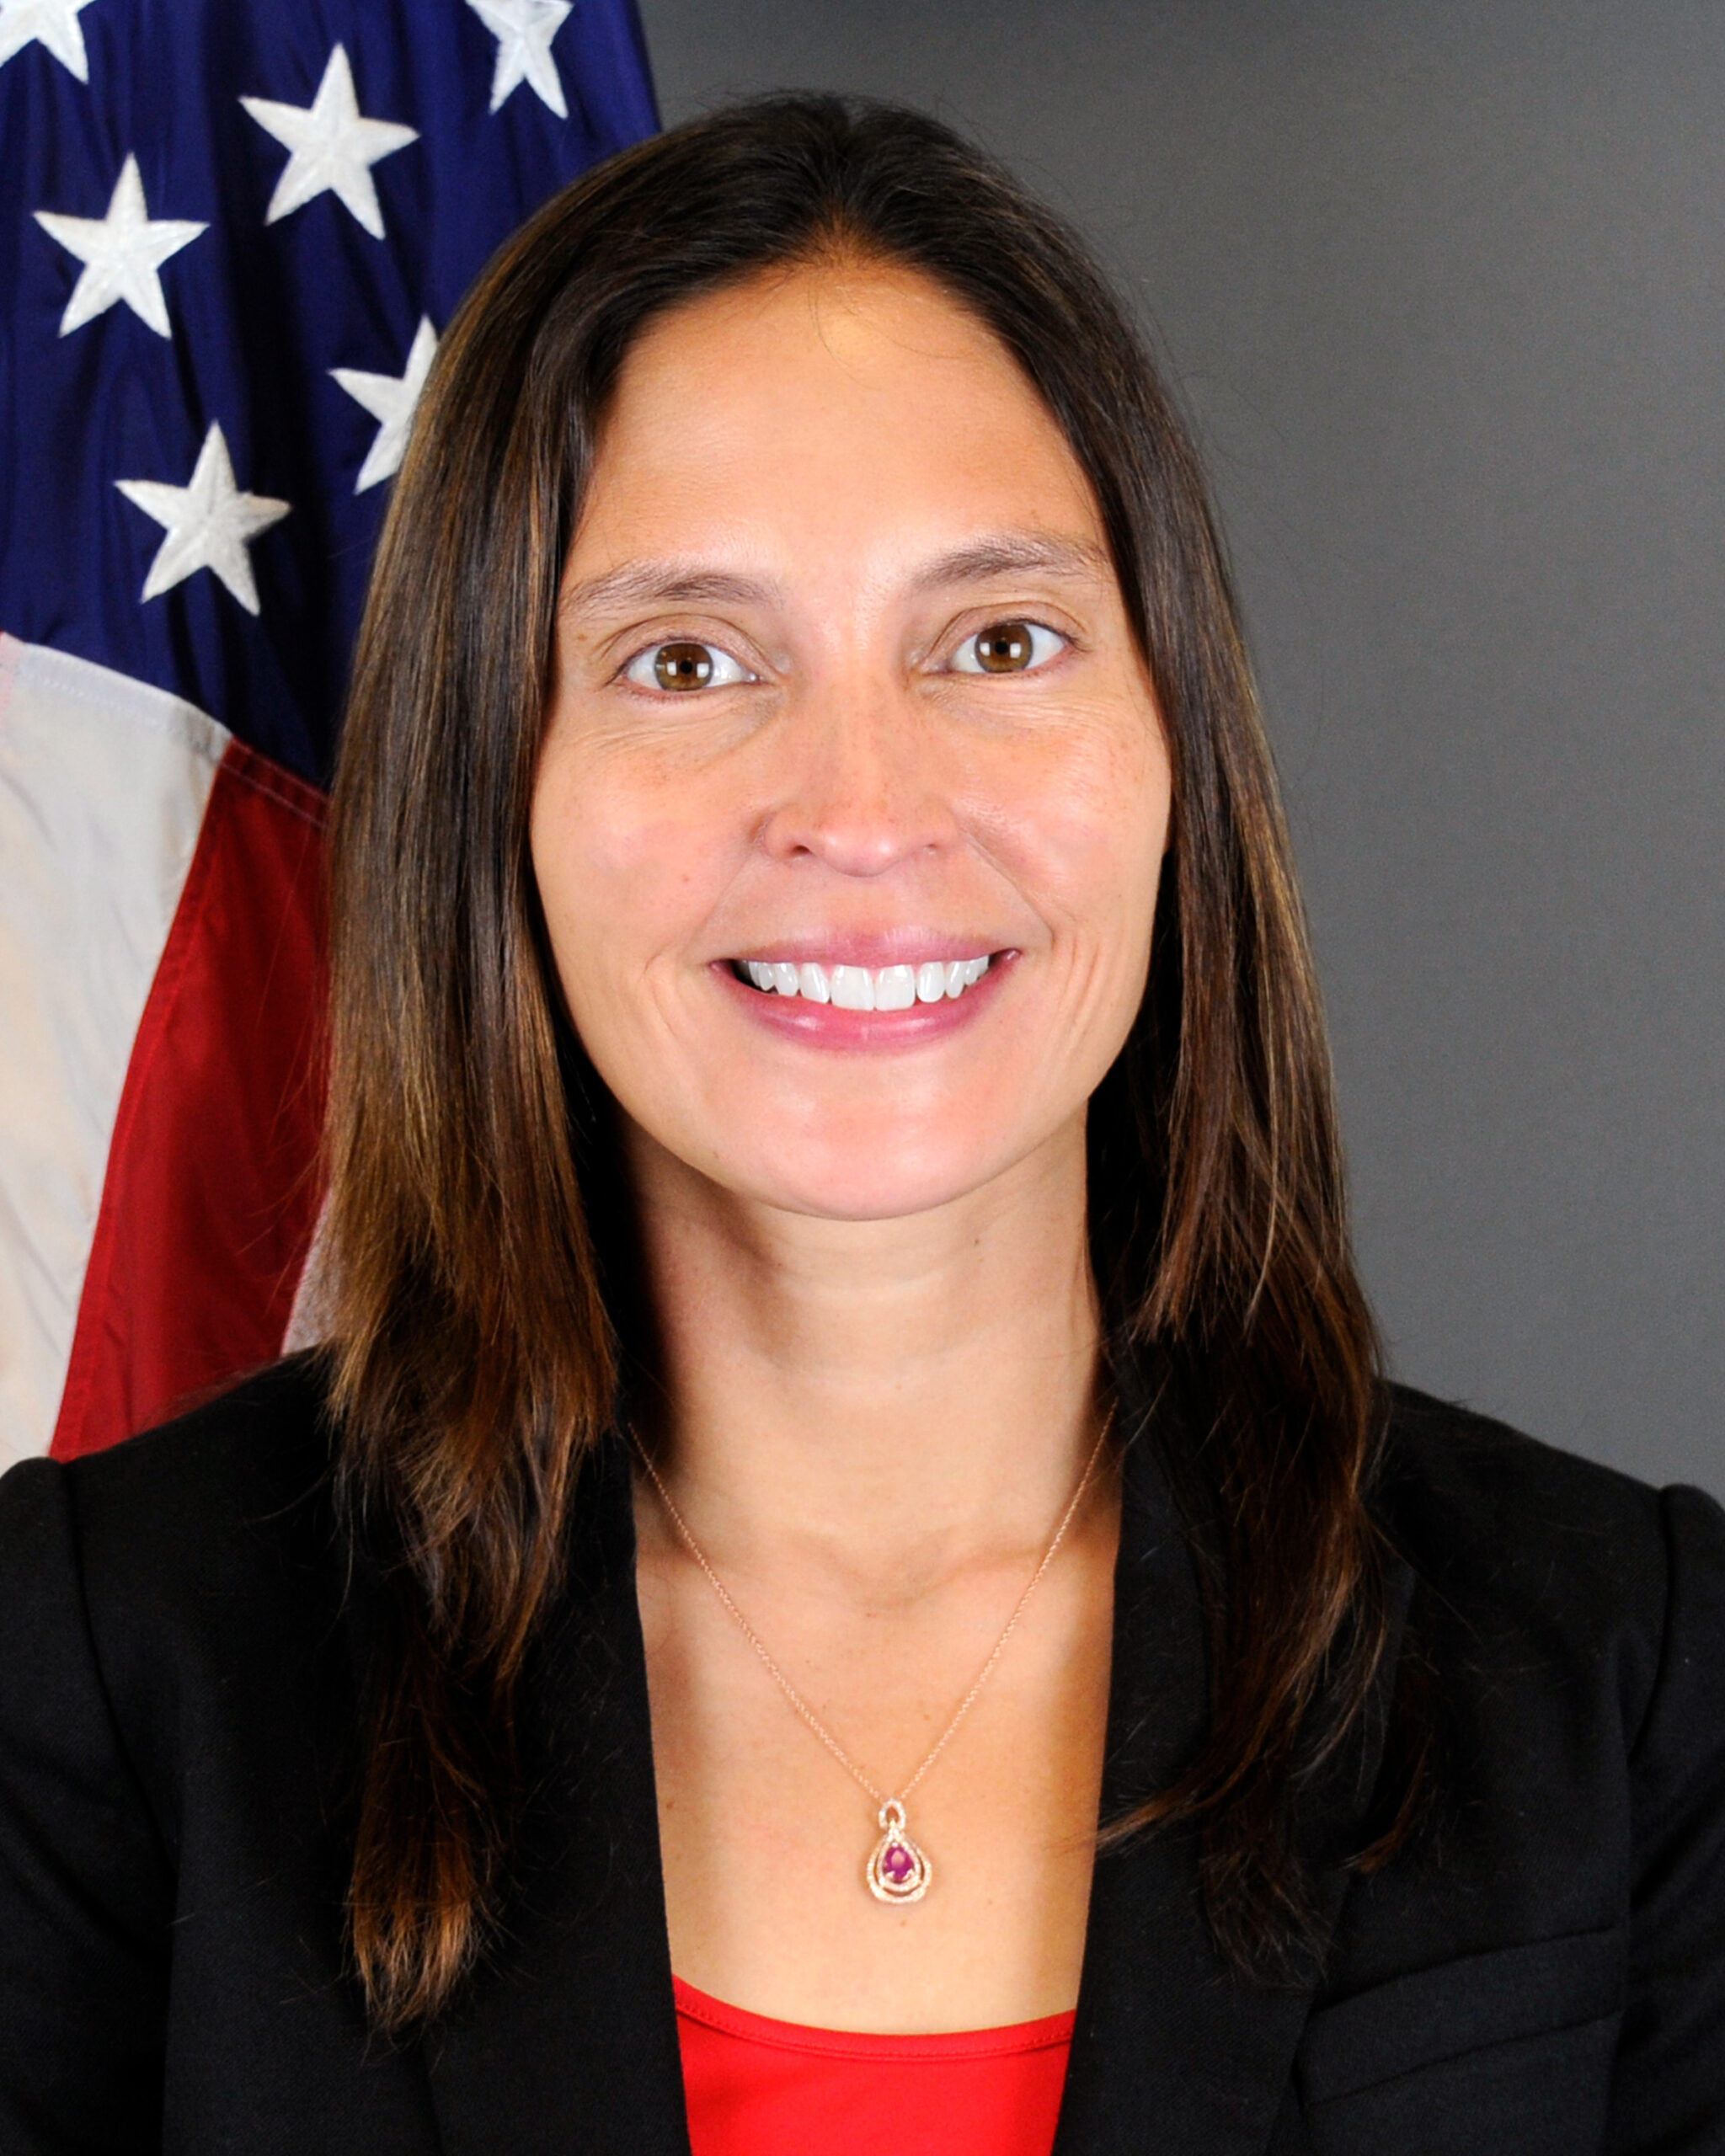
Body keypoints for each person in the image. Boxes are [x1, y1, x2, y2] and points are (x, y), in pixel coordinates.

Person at [1, 93, 1721, 2156]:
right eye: (690, 657)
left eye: (996, 639)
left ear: (1174, 739)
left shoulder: (1628, 1672)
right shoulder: (107, 1665)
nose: (864, 805)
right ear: (497, 789)